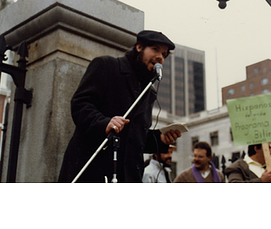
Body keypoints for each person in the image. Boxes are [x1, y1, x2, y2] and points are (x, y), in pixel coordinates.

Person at [58, 30, 181, 183]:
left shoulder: (149, 92)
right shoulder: (107, 66)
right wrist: (104, 123)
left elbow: (134, 137)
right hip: (94, 171)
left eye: (164, 54)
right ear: (139, 47)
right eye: (155, 49)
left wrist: (160, 139)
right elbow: (80, 104)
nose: (160, 58)